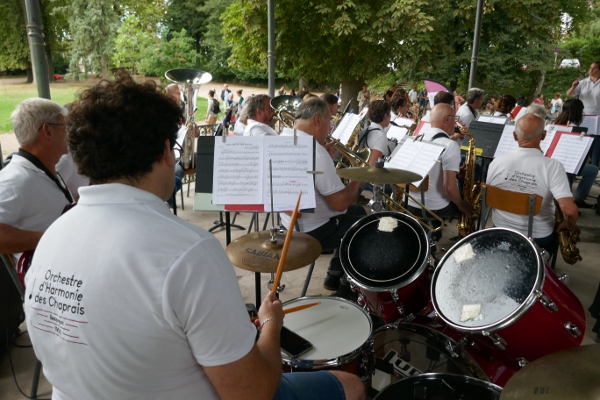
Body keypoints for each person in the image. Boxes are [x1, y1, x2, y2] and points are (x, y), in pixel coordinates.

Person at [24, 73, 365, 400]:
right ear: (163, 151)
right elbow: (253, 393)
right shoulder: (187, 251)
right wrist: (271, 323)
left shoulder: (53, 235)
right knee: (351, 386)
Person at [280, 98, 367, 292]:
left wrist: (324, 159)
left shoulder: (282, 139)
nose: (329, 130)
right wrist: (360, 178)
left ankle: (334, 275)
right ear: (317, 120)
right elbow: (340, 204)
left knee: (358, 210)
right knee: (364, 226)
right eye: (328, 123)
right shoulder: (315, 152)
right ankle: (347, 288)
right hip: (312, 231)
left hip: (288, 224)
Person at [486, 113, 579, 253]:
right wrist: (569, 224)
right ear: (543, 135)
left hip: (500, 229)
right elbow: (570, 211)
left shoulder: (496, 162)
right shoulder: (553, 166)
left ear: (514, 136)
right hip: (537, 237)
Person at [0, 98, 72, 265]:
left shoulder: (40, 170)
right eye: (66, 126)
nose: (70, 132)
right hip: (47, 283)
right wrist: (52, 238)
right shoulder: (15, 181)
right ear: (47, 131)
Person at [407, 104, 473, 232]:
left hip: (409, 202)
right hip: (433, 207)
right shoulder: (450, 145)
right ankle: (462, 240)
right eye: (455, 118)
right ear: (446, 119)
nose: (456, 123)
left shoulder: (416, 138)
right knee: (468, 206)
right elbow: (449, 187)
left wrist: (457, 172)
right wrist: (461, 203)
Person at [553, 99, 599, 208]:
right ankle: (578, 198)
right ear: (578, 112)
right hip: (565, 165)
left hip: (552, 162)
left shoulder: (554, 123)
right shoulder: (576, 129)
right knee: (593, 170)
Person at [567, 60, 600, 165]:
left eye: (594, 68)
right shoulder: (583, 82)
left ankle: (594, 169)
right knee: (583, 141)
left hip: (598, 118)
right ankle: (579, 167)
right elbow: (569, 94)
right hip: (584, 117)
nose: (591, 70)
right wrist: (573, 86)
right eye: (590, 67)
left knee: (596, 144)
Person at [357, 100, 396, 164]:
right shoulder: (380, 136)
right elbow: (372, 166)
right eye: (389, 114)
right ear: (386, 116)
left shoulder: (367, 129)